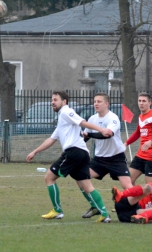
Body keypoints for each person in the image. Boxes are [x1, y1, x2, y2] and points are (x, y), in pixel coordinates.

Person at [26, 91, 112, 223]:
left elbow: (82, 122)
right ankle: (104, 214)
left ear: (64, 101)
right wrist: (35, 151)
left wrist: (101, 130)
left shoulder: (66, 112)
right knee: (85, 185)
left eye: (55, 99)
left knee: (49, 177)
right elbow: (52, 139)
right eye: (52, 100)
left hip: (73, 152)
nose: (52, 102)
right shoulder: (62, 119)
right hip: (82, 153)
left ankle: (57, 211)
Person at [81, 92, 133, 219]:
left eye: (99, 101)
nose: (96, 104)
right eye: (95, 101)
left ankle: (138, 208)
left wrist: (90, 135)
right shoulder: (92, 119)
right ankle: (95, 207)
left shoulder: (112, 118)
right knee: (81, 177)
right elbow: (85, 137)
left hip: (116, 158)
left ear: (106, 104)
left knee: (127, 186)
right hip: (99, 159)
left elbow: (107, 134)